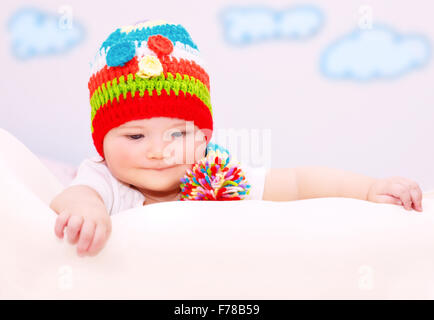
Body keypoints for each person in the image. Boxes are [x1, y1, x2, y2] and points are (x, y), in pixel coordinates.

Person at [49, 19, 423, 258]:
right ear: (101, 143)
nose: (159, 149)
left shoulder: (216, 177)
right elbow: (72, 195)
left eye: (179, 133)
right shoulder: (107, 182)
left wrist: (371, 188)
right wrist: (89, 211)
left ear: (205, 137)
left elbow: (296, 182)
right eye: (134, 135)